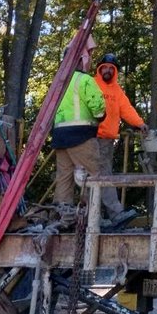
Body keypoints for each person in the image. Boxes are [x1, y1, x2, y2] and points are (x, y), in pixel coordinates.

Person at [93, 53, 146, 227]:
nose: (107, 70)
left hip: (107, 141)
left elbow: (127, 109)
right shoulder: (92, 84)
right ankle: (112, 214)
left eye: (111, 68)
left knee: (98, 176)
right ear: (100, 69)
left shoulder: (117, 91)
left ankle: (94, 217)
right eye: (105, 67)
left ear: (114, 71)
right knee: (99, 176)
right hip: (93, 138)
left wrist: (140, 124)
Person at [52, 58, 107, 220]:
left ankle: (64, 216)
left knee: (64, 177)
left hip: (60, 135)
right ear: (81, 61)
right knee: (93, 175)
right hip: (81, 135)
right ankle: (93, 217)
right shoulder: (84, 79)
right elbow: (97, 107)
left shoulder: (58, 82)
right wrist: (101, 116)